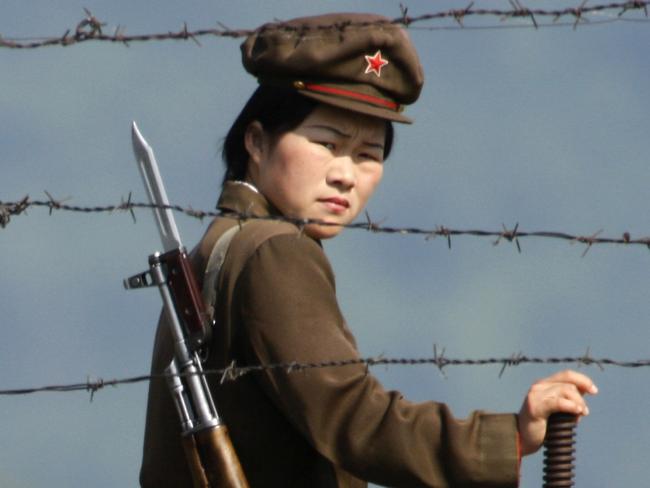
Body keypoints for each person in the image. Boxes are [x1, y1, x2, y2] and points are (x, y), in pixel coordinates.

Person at [139, 13, 597, 487]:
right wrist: (510, 438)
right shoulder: (274, 251)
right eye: (326, 143)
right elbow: (354, 417)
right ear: (256, 141)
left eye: (368, 154)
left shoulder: (220, 245)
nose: (346, 174)